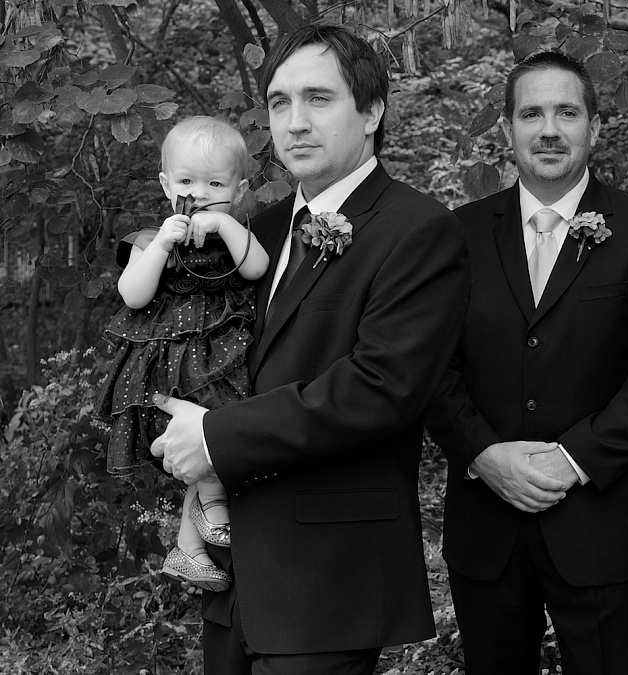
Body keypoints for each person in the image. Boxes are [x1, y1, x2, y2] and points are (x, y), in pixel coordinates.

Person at [148, 23, 469, 674]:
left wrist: (215, 435)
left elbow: (380, 389)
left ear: (372, 110)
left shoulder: (419, 230)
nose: (294, 122)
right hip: (234, 573)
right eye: (279, 102)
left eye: (318, 99)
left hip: (327, 577)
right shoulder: (256, 232)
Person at [426, 51, 628, 674]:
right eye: (531, 113)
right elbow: (429, 367)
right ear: (507, 130)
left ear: (594, 127)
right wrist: (482, 453)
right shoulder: (455, 236)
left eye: (566, 112)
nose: (549, 128)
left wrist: (572, 458)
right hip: (485, 523)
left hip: (601, 524)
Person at [96, 115, 269, 592]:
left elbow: (256, 268)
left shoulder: (232, 235)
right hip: (169, 366)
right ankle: (213, 507)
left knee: (216, 427)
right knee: (210, 427)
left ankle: (189, 550)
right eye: (188, 181)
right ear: (166, 184)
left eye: (216, 183)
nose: (200, 192)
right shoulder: (149, 240)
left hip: (219, 360)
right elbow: (132, 296)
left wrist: (225, 225)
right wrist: (160, 247)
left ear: (239, 188)